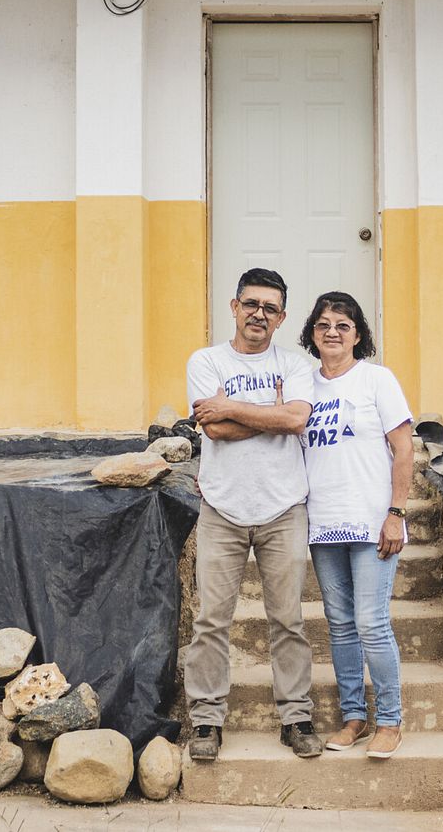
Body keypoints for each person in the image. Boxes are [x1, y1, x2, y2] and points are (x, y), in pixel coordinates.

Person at [182, 268, 324, 761]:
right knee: (211, 621)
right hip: (221, 508)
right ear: (233, 306)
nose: (258, 314)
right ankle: (205, 721)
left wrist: (232, 407)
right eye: (251, 304)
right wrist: (271, 412)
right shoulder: (205, 360)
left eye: (269, 308)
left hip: (284, 507)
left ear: (281, 317)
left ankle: (296, 716)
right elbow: (215, 431)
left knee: (287, 619)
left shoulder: (298, 362)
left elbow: (297, 419)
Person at [296, 291, 414, 760]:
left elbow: (403, 450)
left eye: (342, 325)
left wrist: (396, 512)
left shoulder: (376, 380)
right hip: (324, 523)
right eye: (323, 324)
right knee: (340, 625)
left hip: (372, 523)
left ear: (357, 335)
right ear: (311, 334)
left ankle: (390, 720)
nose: (332, 332)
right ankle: (353, 718)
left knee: (372, 623)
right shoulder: (305, 386)